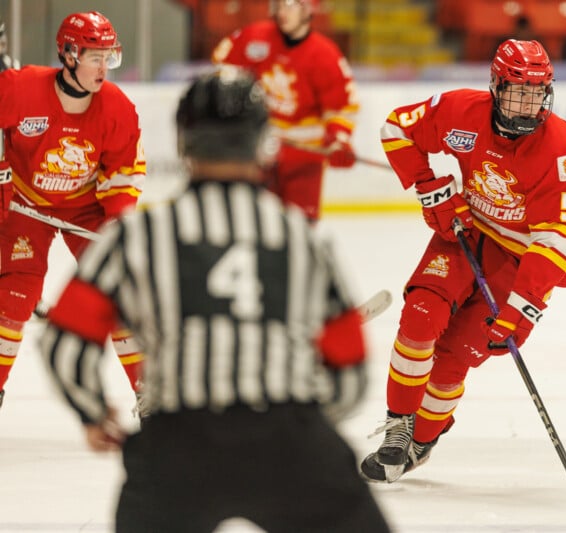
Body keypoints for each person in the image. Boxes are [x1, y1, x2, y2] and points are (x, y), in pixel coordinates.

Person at [39, 67, 390, 533]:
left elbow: (64, 344)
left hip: (177, 447)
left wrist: (91, 410)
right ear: (263, 142)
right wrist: (300, 423)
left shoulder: (136, 236)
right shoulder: (299, 237)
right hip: (289, 442)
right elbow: (348, 372)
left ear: (184, 143)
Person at [360, 39, 566, 483]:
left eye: (536, 93)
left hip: (521, 261)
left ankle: (423, 439)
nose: (528, 105)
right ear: (495, 86)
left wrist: (523, 305)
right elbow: (397, 129)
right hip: (464, 234)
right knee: (419, 316)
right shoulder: (460, 113)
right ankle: (398, 428)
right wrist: (427, 184)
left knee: (453, 360)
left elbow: (555, 243)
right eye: (517, 92)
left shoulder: (563, 151)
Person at [0, 11, 145, 409]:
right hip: (26, 205)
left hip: (86, 209)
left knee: (118, 295)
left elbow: (125, 171)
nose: (104, 68)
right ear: (68, 54)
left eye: (109, 57)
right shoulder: (21, 88)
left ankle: (147, 392)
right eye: (95, 57)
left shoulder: (117, 108)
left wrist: (119, 224)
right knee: (15, 297)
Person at [211, 0, 359, 222]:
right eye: (278, 4)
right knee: (255, 226)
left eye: (289, 4)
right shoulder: (254, 37)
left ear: (308, 9)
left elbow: (341, 106)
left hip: (304, 163)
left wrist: (339, 139)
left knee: (299, 232)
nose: (281, 11)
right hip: (258, 157)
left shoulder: (325, 55)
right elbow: (222, 68)